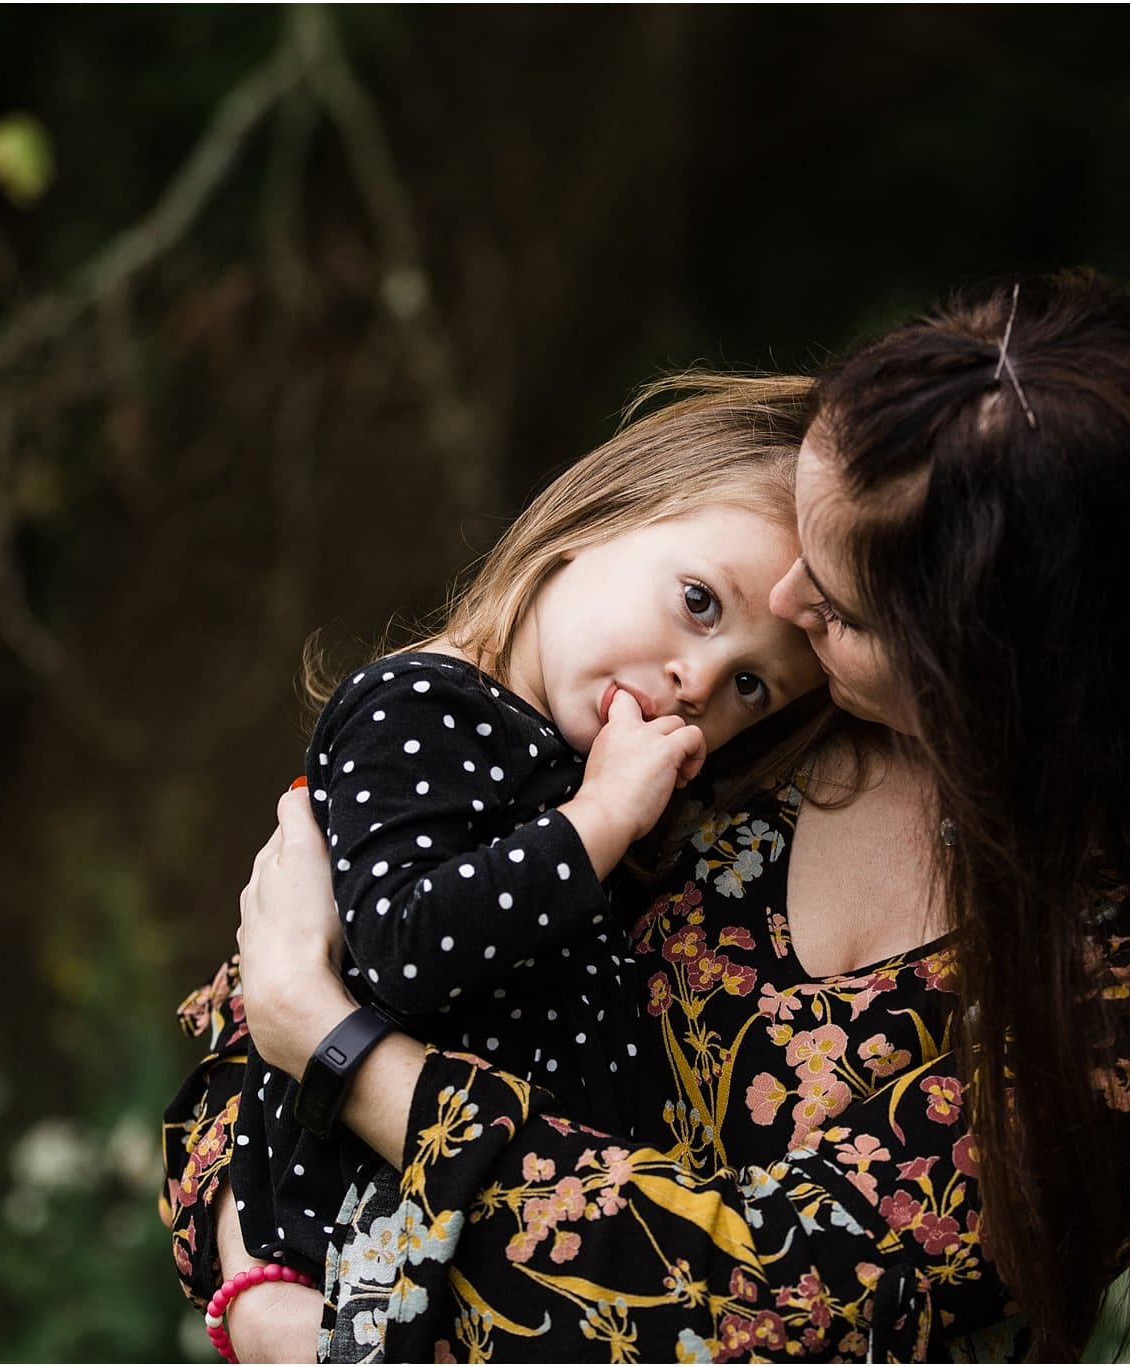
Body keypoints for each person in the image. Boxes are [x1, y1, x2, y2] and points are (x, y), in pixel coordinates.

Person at [173, 271, 1130, 1362]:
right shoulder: (738, 740)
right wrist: (271, 1304)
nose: (783, 594)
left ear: (995, 676)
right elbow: (254, 1025)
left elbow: (769, 1317)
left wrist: (338, 1049)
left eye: (834, 600)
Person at [163, 375, 830, 1360]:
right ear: (595, 519)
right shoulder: (421, 705)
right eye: (698, 602)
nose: (696, 683)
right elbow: (403, 948)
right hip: (367, 1228)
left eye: (747, 684)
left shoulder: (582, 766)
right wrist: (596, 819)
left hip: (499, 1242)